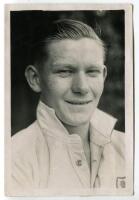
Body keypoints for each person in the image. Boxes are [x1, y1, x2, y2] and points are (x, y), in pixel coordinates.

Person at [11, 19, 125, 191]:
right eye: (65, 71)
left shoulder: (128, 147)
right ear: (35, 79)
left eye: (92, 72)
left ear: (103, 75)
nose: (82, 87)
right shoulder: (13, 157)